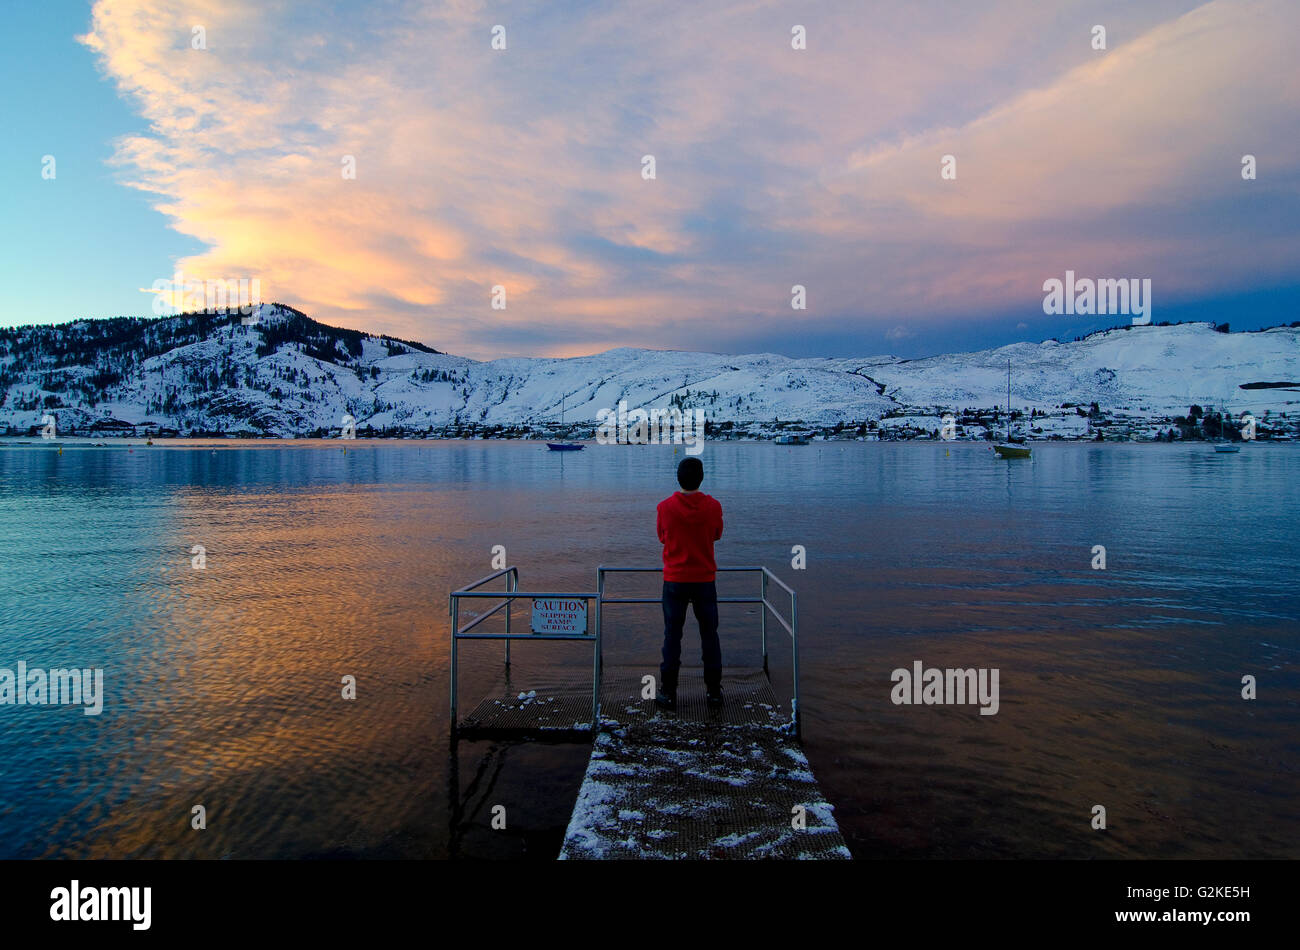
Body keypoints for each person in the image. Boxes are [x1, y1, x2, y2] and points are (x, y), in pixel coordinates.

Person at [655, 455, 724, 711]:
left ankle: (668, 692)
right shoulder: (714, 506)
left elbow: (662, 537)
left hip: (674, 580)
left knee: (672, 636)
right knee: (710, 636)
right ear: (702, 478)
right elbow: (717, 534)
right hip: (705, 579)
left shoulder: (664, 507)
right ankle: (714, 692)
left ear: (678, 478)